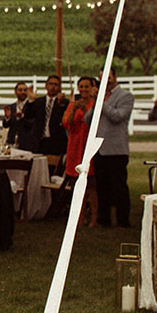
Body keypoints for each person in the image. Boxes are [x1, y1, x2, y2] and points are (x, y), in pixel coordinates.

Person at [93, 71, 135, 229]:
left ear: (115, 77)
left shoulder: (125, 96)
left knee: (119, 187)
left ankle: (123, 221)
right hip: (100, 148)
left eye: (108, 77)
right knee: (102, 186)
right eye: (101, 77)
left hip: (117, 149)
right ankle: (103, 219)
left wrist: (100, 102)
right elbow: (88, 119)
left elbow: (117, 116)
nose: (105, 80)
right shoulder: (103, 96)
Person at [62, 76, 97, 225]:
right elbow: (66, 124)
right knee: (76, 183)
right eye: (81, 87)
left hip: (88, 145)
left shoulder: (94, 104)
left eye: (86, 87)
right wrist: (73, 109)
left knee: (91, 184)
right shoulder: (72, 105)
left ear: (91, 88)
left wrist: (84, 110)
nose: (83, 89)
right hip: (75, 147)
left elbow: (94, 123)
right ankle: (79, 216)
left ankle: (94, 217)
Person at [28, 74, 70, 172]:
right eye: (50, 84)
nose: (53, 87)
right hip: (40, 142)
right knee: (37, 171)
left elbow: (64, 120)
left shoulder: (64, 102)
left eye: (56, 84)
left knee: (53, 171)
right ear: (46, 86)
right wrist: (31, 100)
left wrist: (60, 104)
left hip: (56, 143)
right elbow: (28, 115)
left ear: (59, 87)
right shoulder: (38, 101)